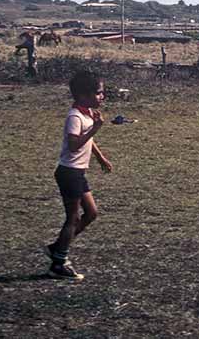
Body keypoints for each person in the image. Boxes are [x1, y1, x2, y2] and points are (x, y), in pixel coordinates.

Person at [45, 70, 113, 280]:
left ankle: (57, 246)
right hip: (69, 173)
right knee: (73, 218)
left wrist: (100, 158)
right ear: (84, 95)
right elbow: (75, 144)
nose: (102, 97)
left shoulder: (87, 114)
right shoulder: (75, 116)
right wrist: (95, 129)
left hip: (78, 173)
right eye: (99, 93)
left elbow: (87, 142)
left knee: (91, 213)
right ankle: (59, 262)